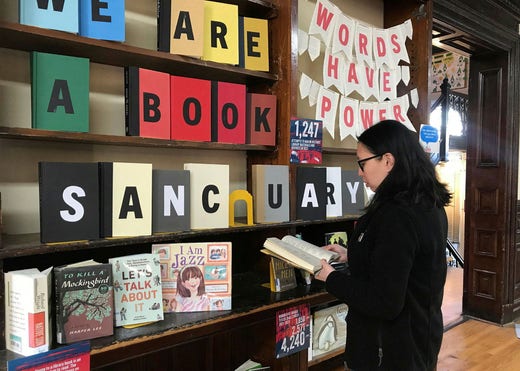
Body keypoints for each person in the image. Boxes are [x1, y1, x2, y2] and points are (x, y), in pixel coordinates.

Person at [314, 120, 451, 370]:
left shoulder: (397, 215)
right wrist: (351, 254)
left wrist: (330, 277)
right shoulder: (427, 203)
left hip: (386, 352)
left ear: (388, 161)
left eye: (362, 163)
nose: (359, 172)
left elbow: (384, 302)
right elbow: (404, 263)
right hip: (417, 339)